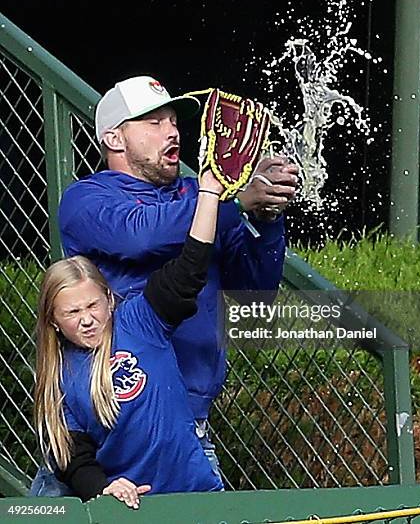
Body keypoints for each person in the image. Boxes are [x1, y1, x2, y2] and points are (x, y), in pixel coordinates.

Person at [57, 75, 298, 476]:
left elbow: (255, 294)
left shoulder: (202, 195)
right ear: (115, 139)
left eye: (173, 121)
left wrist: (266, 216)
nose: (171, 131)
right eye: (153, 123)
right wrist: (231, 202)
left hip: (187, 427)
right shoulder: (86, 198)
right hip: (106, 428)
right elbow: (142, 235)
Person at [34, 168, 226, 509]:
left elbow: (190, 270)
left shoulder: (139, 320)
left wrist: (209, 193)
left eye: (93, 305)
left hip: (193, 493)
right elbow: (73, 455)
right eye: (72, 313)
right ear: (54, 321)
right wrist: (103, 489)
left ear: (109, 300)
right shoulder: (60, 373)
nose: (88, 319)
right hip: (131, 504)